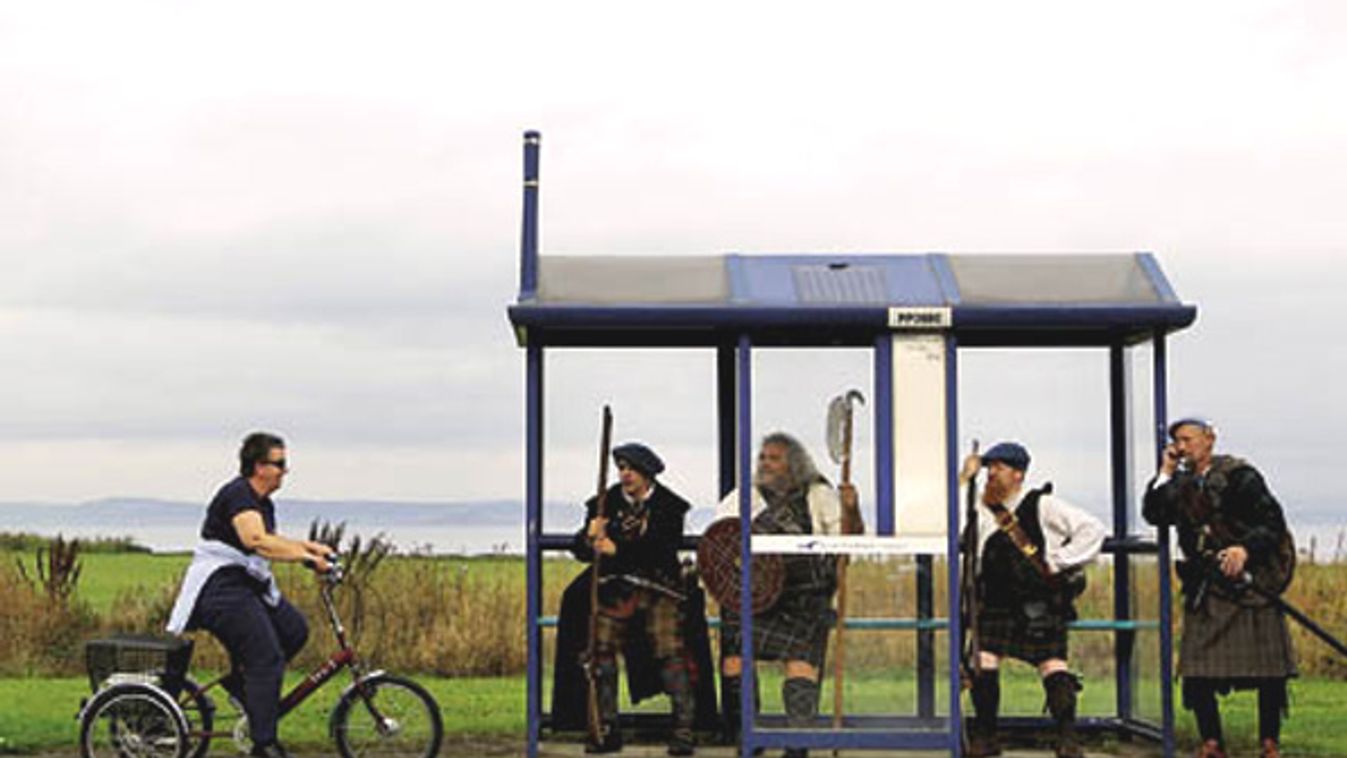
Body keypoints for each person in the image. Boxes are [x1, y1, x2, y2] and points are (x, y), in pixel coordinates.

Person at [166, 432, 332, 758]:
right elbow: (255, 539)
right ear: (259, 466)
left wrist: (309, 547)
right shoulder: (239, 494)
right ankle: (264, 743)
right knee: (266, 657)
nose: (286, 470)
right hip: (221, 589)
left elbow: (270, 539)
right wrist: (306, 558)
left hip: (244, 584)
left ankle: (243, 688)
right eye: (280, 463)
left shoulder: (261, 503)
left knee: (294, 630)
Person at [1142, 418, 1296, 758]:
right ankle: (1211, 742)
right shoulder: (1180, 484)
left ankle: (1269, 743)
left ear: (1209, 439)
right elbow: (1153, 513)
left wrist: (1245, 549)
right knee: (1197, 670)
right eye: (1177, 441)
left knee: (1269, 672)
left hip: (1253, 584)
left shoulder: (1241, 477)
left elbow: (1272, 523)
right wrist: (1165, 472)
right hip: (1209, 583)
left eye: (1187, 439)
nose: (1182, 447)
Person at [714, 431, 859, 758]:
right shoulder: (745, 497)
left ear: (793, 463)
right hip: (755, 595)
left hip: (805, 596)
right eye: (763, 457)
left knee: (801, 664)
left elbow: (846, 544)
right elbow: (720, 540)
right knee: (735, 661)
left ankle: (797, 747)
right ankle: (748, 740)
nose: (765, 463)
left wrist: (851, 509)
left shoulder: (819, 494)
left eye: (774, 458)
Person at [959, 441, 1105, 758]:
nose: (991, 475)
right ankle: (986, 738)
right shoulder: (982, 507)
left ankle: (1067, 740)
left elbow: (1092, 530)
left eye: (998, 468)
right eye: (988, 469)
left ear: (1018, 474)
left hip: (1038, 600)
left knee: (1053, 665)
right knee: (982, 662)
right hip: (995, 601)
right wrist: (964, 481)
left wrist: (1058, 561)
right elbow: (959, 530)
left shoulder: (1043, 504)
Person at [568, 442, 698, 755]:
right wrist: (589, 536)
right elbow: (580, 551)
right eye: (621, 468)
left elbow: (661, 549)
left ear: (647, 474)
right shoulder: (604, 502)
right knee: (599, 649)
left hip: (660, 587)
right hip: (615, 587)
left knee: (670, 650)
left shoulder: (670, 506)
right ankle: (607, 727)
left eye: (631, 469)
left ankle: (684, 730)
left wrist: (618, 550)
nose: (625, 474)